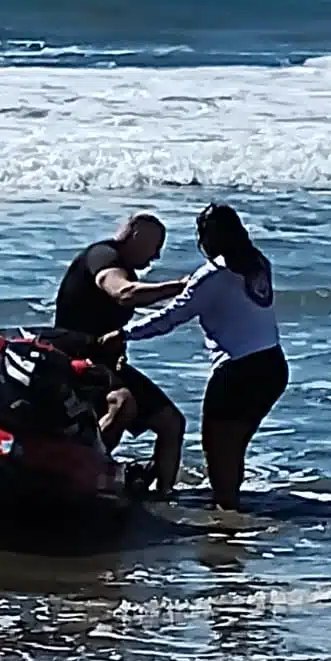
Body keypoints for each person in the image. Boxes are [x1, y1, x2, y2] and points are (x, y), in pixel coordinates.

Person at [100, 203, 288, 512]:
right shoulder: (257, 264)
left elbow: (170, 318)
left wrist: (124, 334)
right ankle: (233, 513)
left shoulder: (213, 275)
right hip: (273, 366)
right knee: (234, 448)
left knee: (219, 455)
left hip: (237, 373)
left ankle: (226, 527)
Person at [53, 212, 188, 496]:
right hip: (71, 357)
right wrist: (180, 287)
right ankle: (77, 476)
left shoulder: (126, 267)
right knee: (122, 404)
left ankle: (165, 496)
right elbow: (123, 293)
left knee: (171, 423)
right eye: (155, 247)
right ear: (136, 236)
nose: (157, 257)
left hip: (104, 363)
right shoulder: (103, 256)